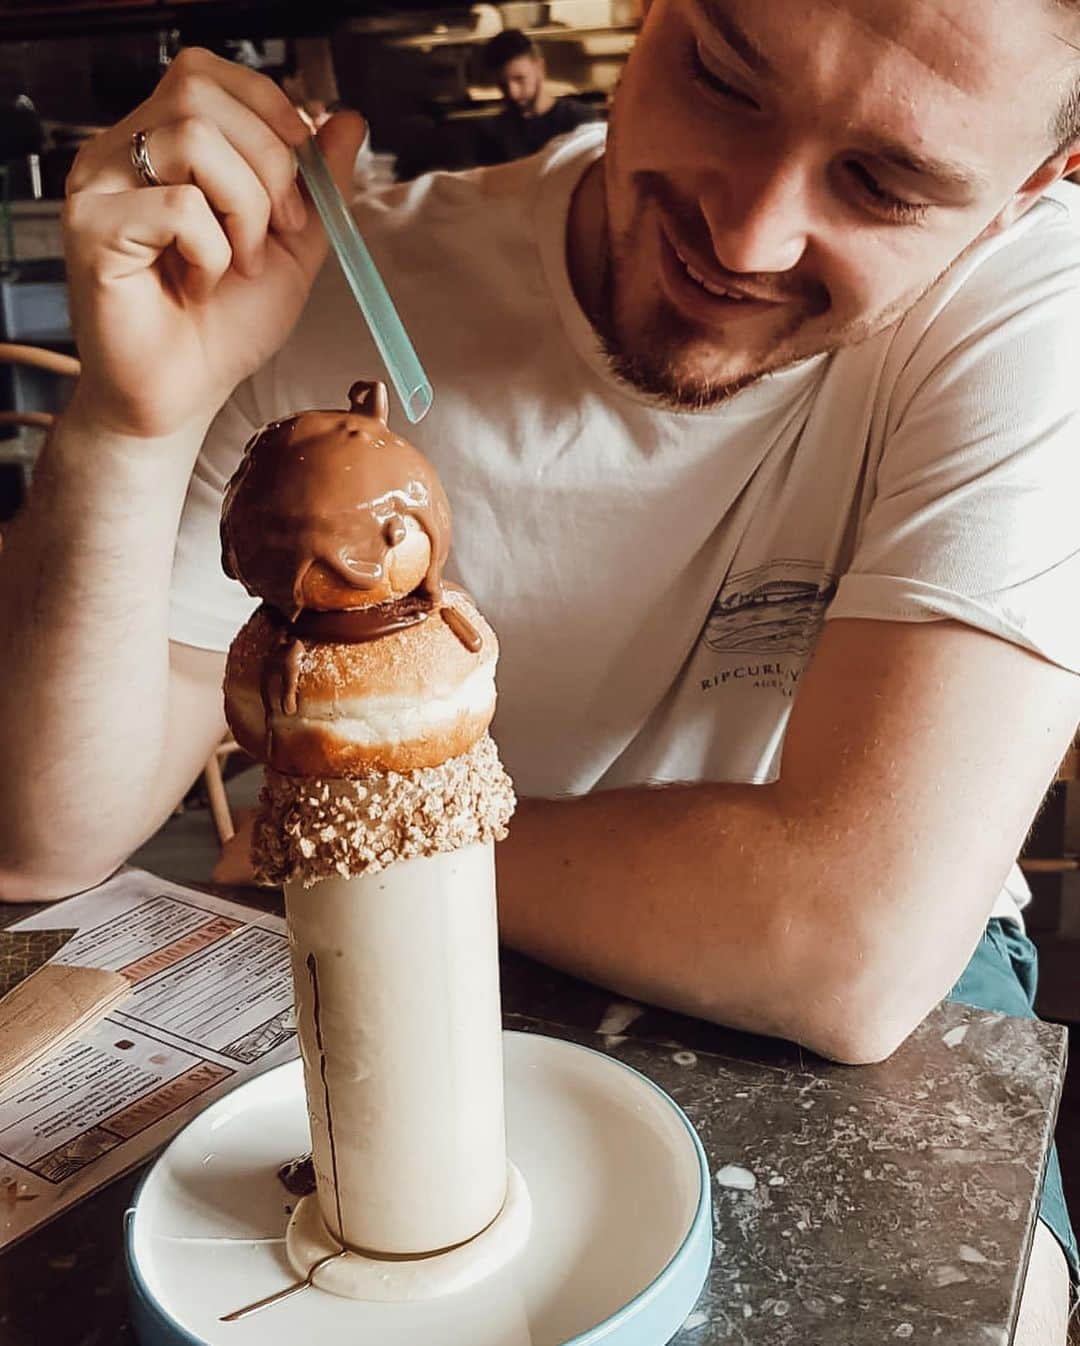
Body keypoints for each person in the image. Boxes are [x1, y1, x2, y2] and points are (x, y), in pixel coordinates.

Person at [0, 0, 1078, 1335]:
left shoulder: (1039, 304)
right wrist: (123, 424)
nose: (745, 236)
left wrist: (343, 844)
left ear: (1033, 186)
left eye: (885, 181)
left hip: (877, 1000)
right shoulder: (333, 289)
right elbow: (41, 838)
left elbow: (852, 942)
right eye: (725, 81)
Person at [475, 28, 599, 165]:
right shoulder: (493, 133)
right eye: (503, 84)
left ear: (540, 68)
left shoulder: (578, 120)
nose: (512, 93)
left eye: (519, 79)